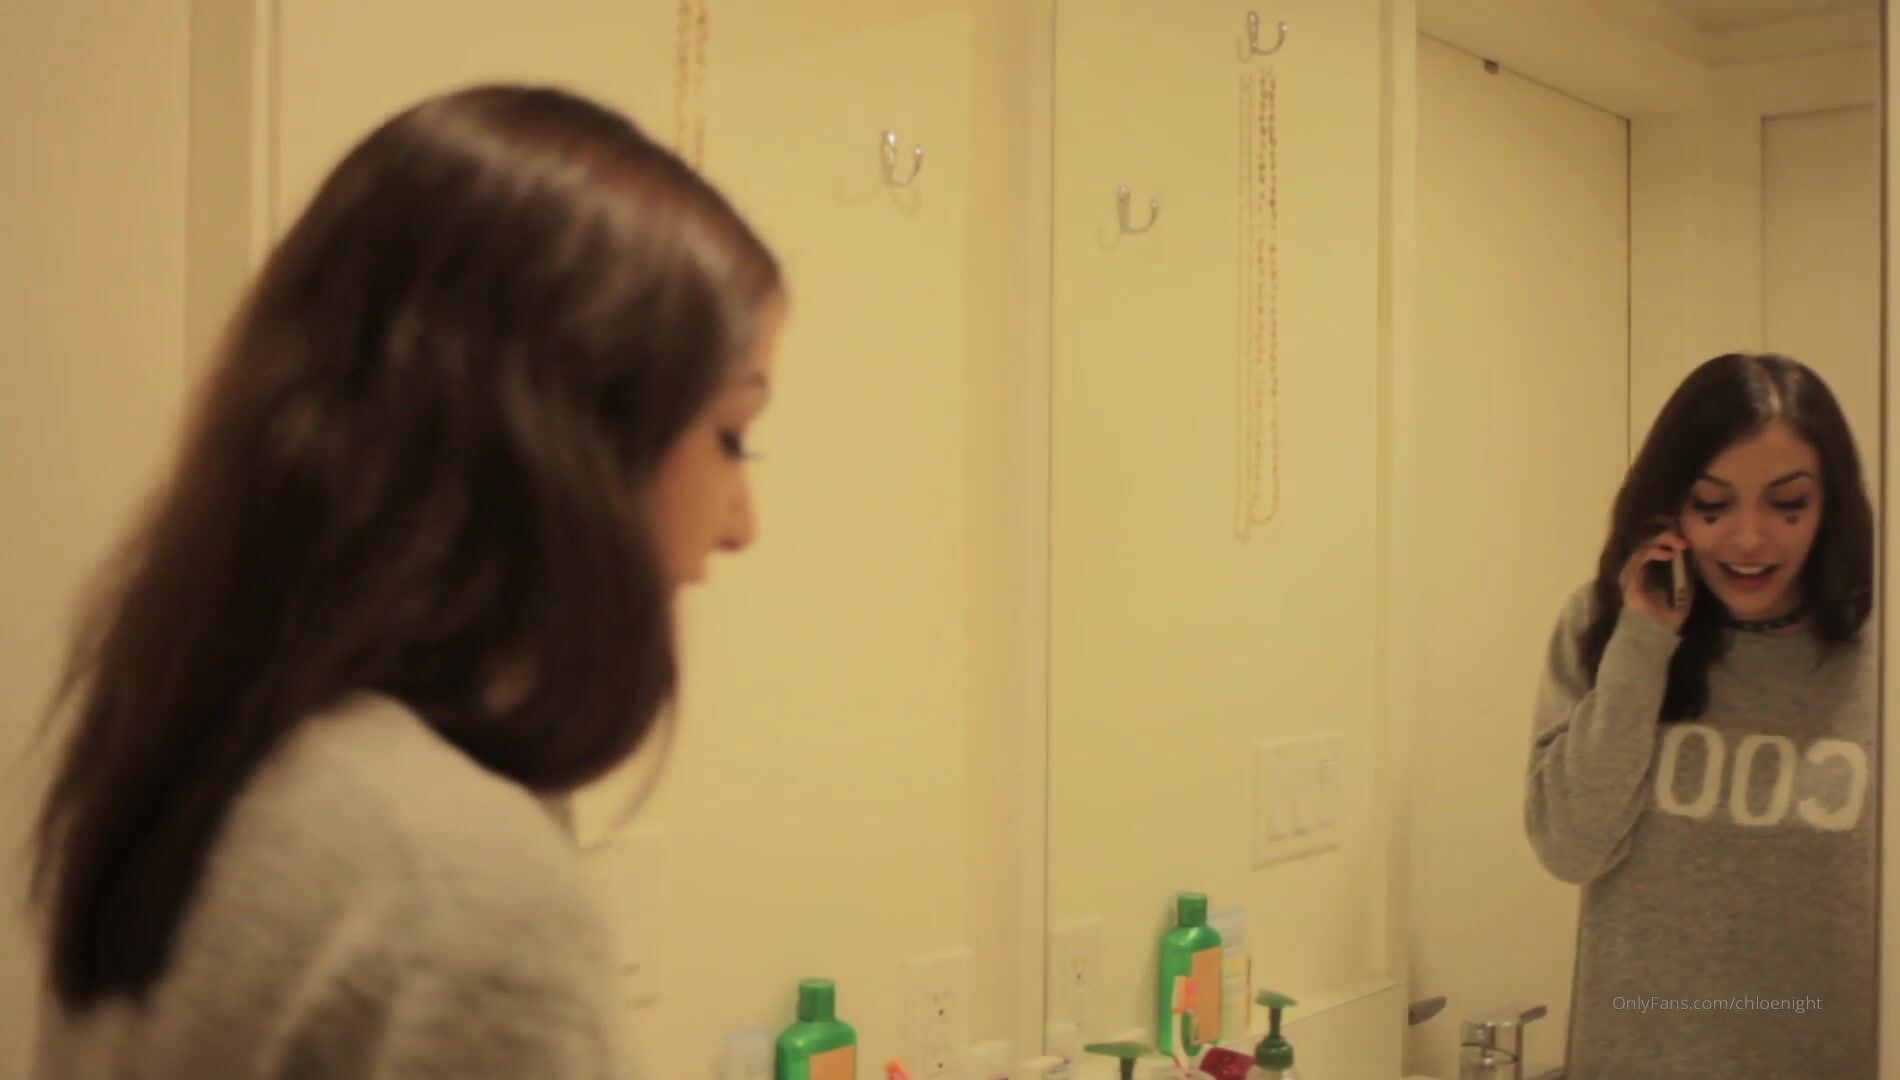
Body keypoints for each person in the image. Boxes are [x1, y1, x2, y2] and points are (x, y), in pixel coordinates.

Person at [29, 83, 783, 1078]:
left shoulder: (214, 769)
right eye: (730, 436)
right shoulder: (453, 893)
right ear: (560, 447)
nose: (740, 526)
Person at [1524, 352, 1876, 1077]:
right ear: (1670, 506)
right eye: (1712, 506)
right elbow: (1568, 849)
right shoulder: (1604, 628)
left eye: (1787, 504)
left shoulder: (1881, 655)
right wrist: (1643, 642)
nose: (1749, 539)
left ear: (1830, 506)